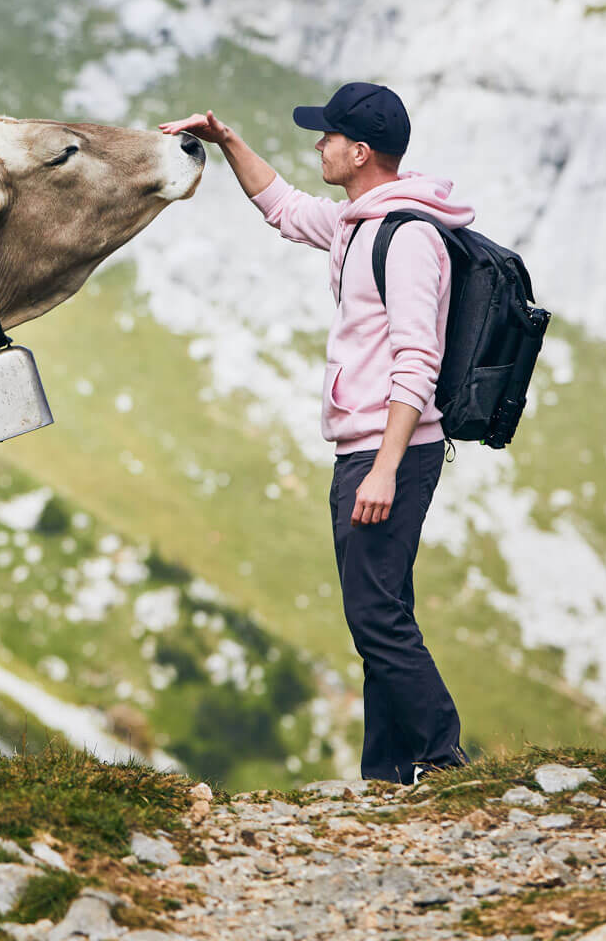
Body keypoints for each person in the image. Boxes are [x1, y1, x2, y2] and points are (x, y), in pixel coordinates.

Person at [161, 82, 472, 784]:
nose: (318, 146)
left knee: (375, 617)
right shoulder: (360, 223)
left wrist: (385, 468)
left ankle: (445, 758)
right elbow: (284, 208)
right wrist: (227, 139)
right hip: (366, 446)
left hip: (390, 451)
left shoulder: (410, 238)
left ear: (360, 152)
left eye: (328, 137)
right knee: (380, 612)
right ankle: (389, 774)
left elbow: (417, 360)